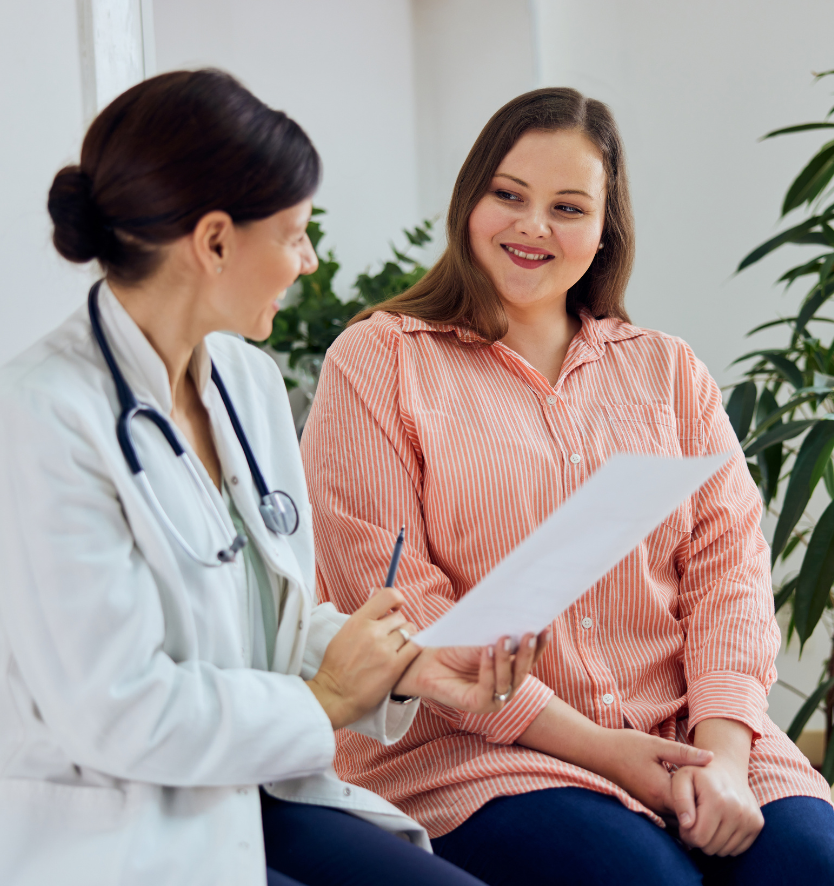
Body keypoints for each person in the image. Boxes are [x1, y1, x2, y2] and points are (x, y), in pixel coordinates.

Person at [0, 69, 548, 886]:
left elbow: (260, 623)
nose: (308, 259)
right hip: (124, 824)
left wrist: (411, 668)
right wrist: (325, 701)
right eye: (294, 234)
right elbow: (119, 710)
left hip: (251, 790)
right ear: (215, 241)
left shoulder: (244, 384)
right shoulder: (42, 419)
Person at [301, 87, 834, 886]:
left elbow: (729, 575)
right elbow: (400, 605)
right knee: (644, 879)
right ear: (469, 201)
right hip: (479, 749)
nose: (533, 226)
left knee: (805, 865)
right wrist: (611, 755)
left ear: (603, 232)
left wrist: (726, 754)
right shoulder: (379, 360)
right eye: (508, 195)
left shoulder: (668, 371)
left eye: (567, 206)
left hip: (687, 723)